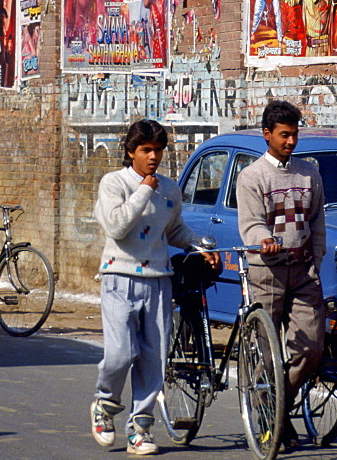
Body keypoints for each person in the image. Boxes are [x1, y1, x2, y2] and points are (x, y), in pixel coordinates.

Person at [91, 119, 220, 456]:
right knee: (120, 354)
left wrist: (200, 246)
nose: (153, 157)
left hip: (159, 281)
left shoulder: (170, 189)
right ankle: (104, 406)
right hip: (119, 278)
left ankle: (141, 428)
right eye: (146, 150)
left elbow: (174, 230)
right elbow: (117, 226)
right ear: (131, 151)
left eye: (158, 150)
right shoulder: (113, 183)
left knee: (153, 359)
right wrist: (144, 189)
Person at [236, 100, 326, 451]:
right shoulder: (253, 176)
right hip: (267, 271)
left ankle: (278, 406)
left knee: (311, 347)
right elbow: (251, 222)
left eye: (294, 134)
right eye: (284, 135)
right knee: (267, 350)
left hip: (303, 271)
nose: (290, 141)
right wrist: (264, 241)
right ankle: (269, 416)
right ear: (267, 135)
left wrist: (316, 260)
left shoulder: (309, 172)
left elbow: (316, 219)